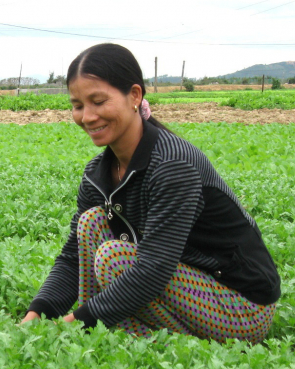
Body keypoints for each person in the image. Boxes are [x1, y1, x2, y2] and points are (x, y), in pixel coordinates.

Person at [21, 43, 280, 343]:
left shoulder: (172, 163)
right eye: (78, 105)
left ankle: (102, 331)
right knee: (91, 223)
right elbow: (72, 257)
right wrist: (36, 314)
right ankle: (100, 332)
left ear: (134, 96)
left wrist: (69, 324)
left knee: (115, 259)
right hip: (183, 282)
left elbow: (153, 269)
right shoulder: (98, 173)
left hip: (240, 305)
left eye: (98, 101)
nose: (88, 116)